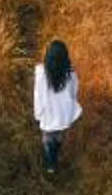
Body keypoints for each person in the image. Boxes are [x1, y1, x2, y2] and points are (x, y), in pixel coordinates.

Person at [33, 37, 80, 175]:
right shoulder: (70, 75)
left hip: (47, 113)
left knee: (47, 137)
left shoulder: (41, 73)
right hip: (62, 114)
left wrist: (38, 114)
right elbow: (74, 93)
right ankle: (55, 156)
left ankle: (50, 164)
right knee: (58, 136)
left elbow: (37, 95)